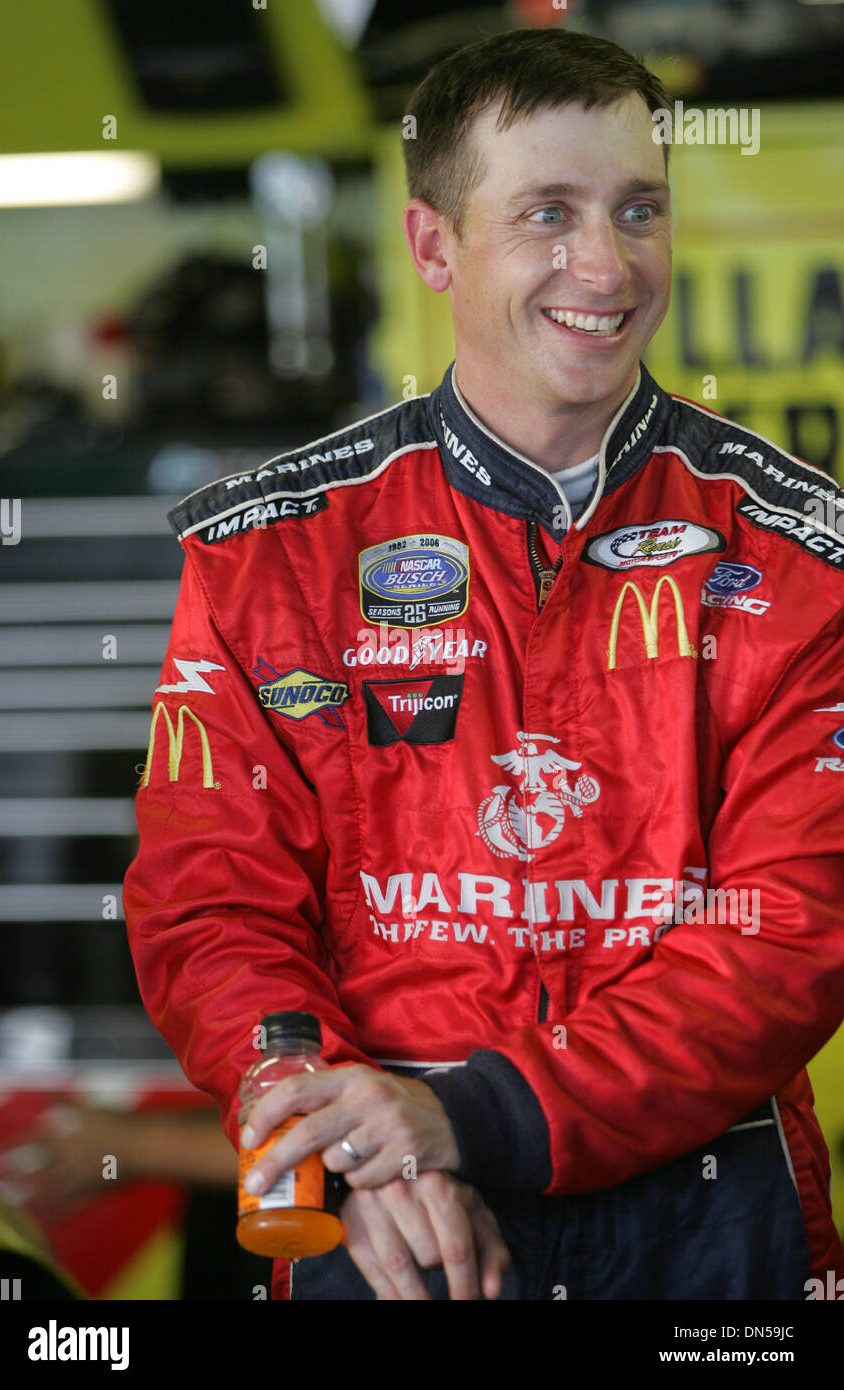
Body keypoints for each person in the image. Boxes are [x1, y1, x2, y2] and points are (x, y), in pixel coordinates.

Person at [123, 28, 844, 1301]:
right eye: (547, 214)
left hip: (705, 1218)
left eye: (637, 210)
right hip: (382, 1212)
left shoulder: (804, 557)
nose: (606, 264)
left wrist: (464, 1114)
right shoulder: (268, 555)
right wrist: (337, 1137)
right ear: (431, 246)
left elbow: (789, 934)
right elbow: (213, 903)